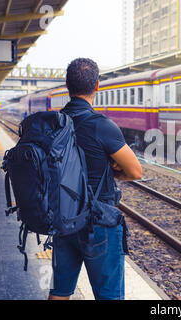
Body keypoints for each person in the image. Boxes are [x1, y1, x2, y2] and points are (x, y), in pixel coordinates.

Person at [48, 58, 142, 300]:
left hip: (63, 217)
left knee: (59, 291)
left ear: (67, 85)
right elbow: (135, 171)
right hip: (98, 221)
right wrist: (114, 171)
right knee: (109, 296)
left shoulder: (53, 124)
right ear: (97, 85)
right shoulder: (102, 125)